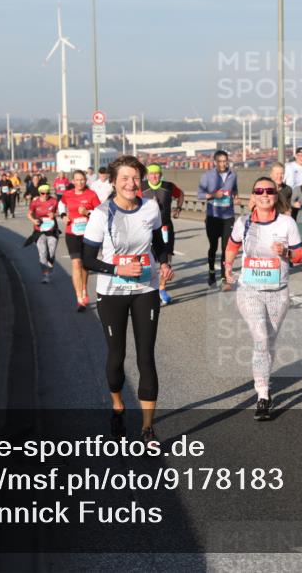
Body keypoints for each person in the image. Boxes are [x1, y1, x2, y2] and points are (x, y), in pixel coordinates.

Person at [82, 155, 173, 445]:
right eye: (125, 178)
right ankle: (118, 405)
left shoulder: (150, 206)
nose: (131, 184)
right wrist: (117, 269)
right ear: (113, 181)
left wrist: (163, 261)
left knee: (146, 356)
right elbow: (86, 259)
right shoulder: (101, 213)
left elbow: (158, 240)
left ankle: (147, 429)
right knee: (116, 356)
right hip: (111, 292)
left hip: (145, 289)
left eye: (136, 178)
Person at [223, 176, 302, 421]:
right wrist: (227, 265)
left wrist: (287, 252)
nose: (265, 194)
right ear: (254, 196)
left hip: (278, 292)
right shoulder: (244, 222)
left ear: (275, 195)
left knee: (269, 342)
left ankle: (264, 382)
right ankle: (263, 394)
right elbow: (232, 244)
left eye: (269, 191)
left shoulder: (287, 223)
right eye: (259, 191)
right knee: (260, 337)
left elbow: (300, 255)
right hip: (250, 289)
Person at [140, 164, 184, 305]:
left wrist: (178, 208)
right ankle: (149, 288)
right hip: (147, 228)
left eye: (157, 174)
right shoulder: (141, 187)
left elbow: (181, 194)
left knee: (167, 256)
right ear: (147, 175)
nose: (154, 176)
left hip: (165, 227)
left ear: (160, 174)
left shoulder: (168, 186)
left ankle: (162, 288)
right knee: (148, 258)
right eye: (151, 174)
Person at [58, 170, 102, 311]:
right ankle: (79, 298)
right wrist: (64, 215)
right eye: (77, 180)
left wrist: (88, 213)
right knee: (76, 263)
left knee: (85, 265)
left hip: (89, 234)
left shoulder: (91, 194)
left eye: (82, 179)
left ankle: (84, 288)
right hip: (72, 232)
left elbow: (101, 213)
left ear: (85, 180)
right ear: (73, 181)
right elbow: (60, 204)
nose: (80, 182)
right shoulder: (68, 194)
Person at [197, 150, 239, 289]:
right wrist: (214, 195)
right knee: (213, 248)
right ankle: (211, 272)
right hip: (213, 218)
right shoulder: (207, 176)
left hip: (228, 217)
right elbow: (200, 195)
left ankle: (224, 278)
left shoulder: (233, 175)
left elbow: (234, 189)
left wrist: (236, 196)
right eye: (220, 161)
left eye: (225, 161)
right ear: (215, 162)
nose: (222, 164)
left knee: (226, 248)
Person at [26, 184, 60, 283]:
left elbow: (61, 212)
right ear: (39, 193)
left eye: (47, 193)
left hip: (52, 231)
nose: (45, 195)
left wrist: (55, 214)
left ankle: (51, 265)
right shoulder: (35, 202)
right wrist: (33, 220)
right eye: (43, 193)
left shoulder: (54, 201)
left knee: (51, 252)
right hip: (39, 231)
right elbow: (29, 214)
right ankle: (46, 275)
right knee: (42, 254)